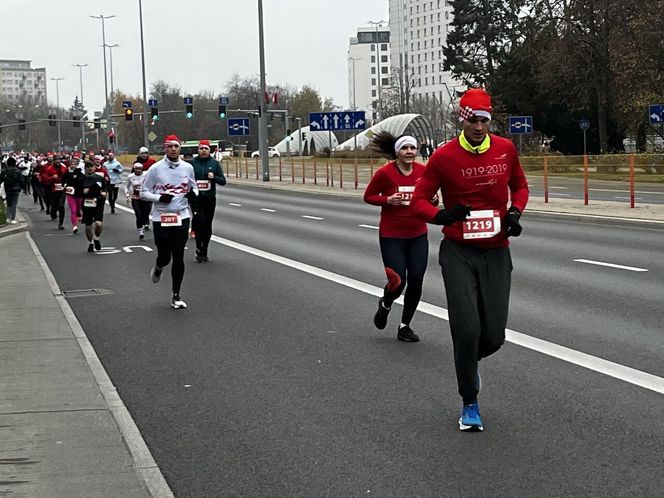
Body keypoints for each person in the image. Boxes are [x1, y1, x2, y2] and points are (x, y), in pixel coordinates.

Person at [411, 88, 529, 432]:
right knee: (466, 329)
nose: (479, 126)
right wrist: (442, 215)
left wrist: (514, 213)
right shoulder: (444, 157)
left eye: (484, 120)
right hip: (459, 252)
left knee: (493, 336)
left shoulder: (505, 150)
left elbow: (520, 186)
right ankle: (470, 402)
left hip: (496, 250)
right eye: (473, 119)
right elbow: (420, 200)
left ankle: (470, 360)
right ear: (462, 119)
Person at [363, 132, 437, 343]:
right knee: (397, 281)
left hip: (417, 234)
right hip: (391, 234)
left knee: (416, 279)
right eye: (405, 148)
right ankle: (385, 304)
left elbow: (430, 198)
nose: (409, 152)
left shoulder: (424, 171)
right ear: (397, 152)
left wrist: (433, 198)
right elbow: (368, 197)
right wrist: (388, 200)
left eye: (412, 148)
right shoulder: (385, 173)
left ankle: (405, 326)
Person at [140, 135, 198, 309]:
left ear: (180, 148)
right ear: (164, 148)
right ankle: (159, 266)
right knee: (165, 255)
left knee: (178, 255)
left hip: (181, 215)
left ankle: (176, 295)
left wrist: (193, 194)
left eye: (176, 146)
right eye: (170, 146)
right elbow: (144, 192)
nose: (173, 149)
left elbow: (194, 186)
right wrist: (159, 197)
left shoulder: (188, 167)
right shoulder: (155, 169)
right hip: (161, 216)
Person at [190, 139, 226, 262]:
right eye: (201, 149)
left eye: (206, 149)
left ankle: (204, 250)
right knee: (200, 221)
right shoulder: (192, 163)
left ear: (209, 150)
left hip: (210, 198)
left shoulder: (214, 164)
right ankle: (198, 248)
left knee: (207, 225)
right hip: (196, 199)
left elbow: (223, 181)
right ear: (198, 150)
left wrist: (214, 177)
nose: (203, 151)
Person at [81, 160, 108, 252]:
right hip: (87, 204)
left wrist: (104, 192)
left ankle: (96, 238)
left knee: (98, 223)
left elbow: (104, 187)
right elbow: (76, 191)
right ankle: (90, 243)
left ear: (94, 167)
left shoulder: (99, 178)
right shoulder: (82, 179)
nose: (89, 168)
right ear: (85, 168)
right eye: (87, 167)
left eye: (91, 166)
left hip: (98, 202)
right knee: (88, 226)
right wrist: (83, 192)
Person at [125, 162, 151, 240]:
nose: (138, 170)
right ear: (134, 169)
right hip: (135, 198)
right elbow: (126, 187)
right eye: (136, 169)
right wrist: (127, 195)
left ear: (142, 168)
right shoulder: (130, 176)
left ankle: (145, 223)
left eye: (140, 169)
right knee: (138, 214)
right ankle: (141, 232)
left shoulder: (146, 174)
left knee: (145, 214)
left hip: (145, 198)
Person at [42, 155, 68, 229]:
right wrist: (51, 178)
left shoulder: (64, 169)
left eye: (59, 160)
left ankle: (61, 223)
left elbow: (68, 178)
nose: (58, 161)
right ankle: (53, 212)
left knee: (61, 206)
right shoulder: (49, 169)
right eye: (56, 160)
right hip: (53, 190)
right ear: (53, 161)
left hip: (62, 190)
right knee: (54, 205)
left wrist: (66, 184)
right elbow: (45, 179)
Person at [62, 159, 85, 234]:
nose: (73, 166)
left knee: (78, 210)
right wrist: (65, 187)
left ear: (76, 165)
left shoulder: (80, 173)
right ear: (69, 165)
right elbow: (63, 182)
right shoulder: (66, 173)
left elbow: (83, 182)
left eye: (74, 164)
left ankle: (79, 215)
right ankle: (74, 226)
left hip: (79, 194)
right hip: (70, 194)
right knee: (73, 210)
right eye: (71, 164)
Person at [0, 157, 24, 224]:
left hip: (7, 189)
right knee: (14, 203)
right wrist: (22, 187)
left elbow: (0, 179)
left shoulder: (4, 171)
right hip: (16, 189)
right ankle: (13, 219)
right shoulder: (17, 171)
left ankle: (8, 217)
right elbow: (21, 181)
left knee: (8, 203)